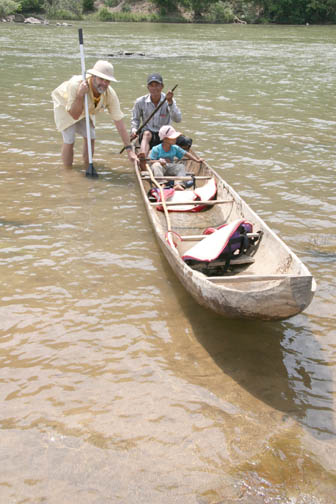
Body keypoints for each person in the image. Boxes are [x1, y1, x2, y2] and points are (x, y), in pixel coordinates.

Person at [51, 60, 137, 169]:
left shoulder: (110, 94)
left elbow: (119, 123)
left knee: (91, 136)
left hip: (87, 108)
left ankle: (88, 165)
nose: (104, 83)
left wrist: (129, 150)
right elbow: (74, 115)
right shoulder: (76, 85)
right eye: (101, 79)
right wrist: (80, 95)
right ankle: (68, 171)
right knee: (69, 138)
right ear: (93, 77)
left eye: (108, 81)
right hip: (66, 105)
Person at [130, 73, 181, 169]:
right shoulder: (140, 101)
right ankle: (143, 159)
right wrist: (134, 130)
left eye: (157, 85)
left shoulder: (169, 100)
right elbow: (135, 120)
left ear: (162, 87)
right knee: (146, 134)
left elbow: (177, 119)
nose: (154, 88)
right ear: (148, 87)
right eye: (151, 85)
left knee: (186, 142)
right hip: (148, 136)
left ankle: (169, 159)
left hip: (164, 136)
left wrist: (170, 102)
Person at [149, 125, 203, 190]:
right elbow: (151, 161)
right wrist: (159, 161)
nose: (175, 139)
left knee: (181, 166)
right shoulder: (156, 149)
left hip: (168, 167)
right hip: (158, 170)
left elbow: (186, 154)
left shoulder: (175, 148)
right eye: (173, 138)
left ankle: (178, 184)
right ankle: (161, 184)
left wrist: (197, 160)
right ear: (165, 139)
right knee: (156, 165)